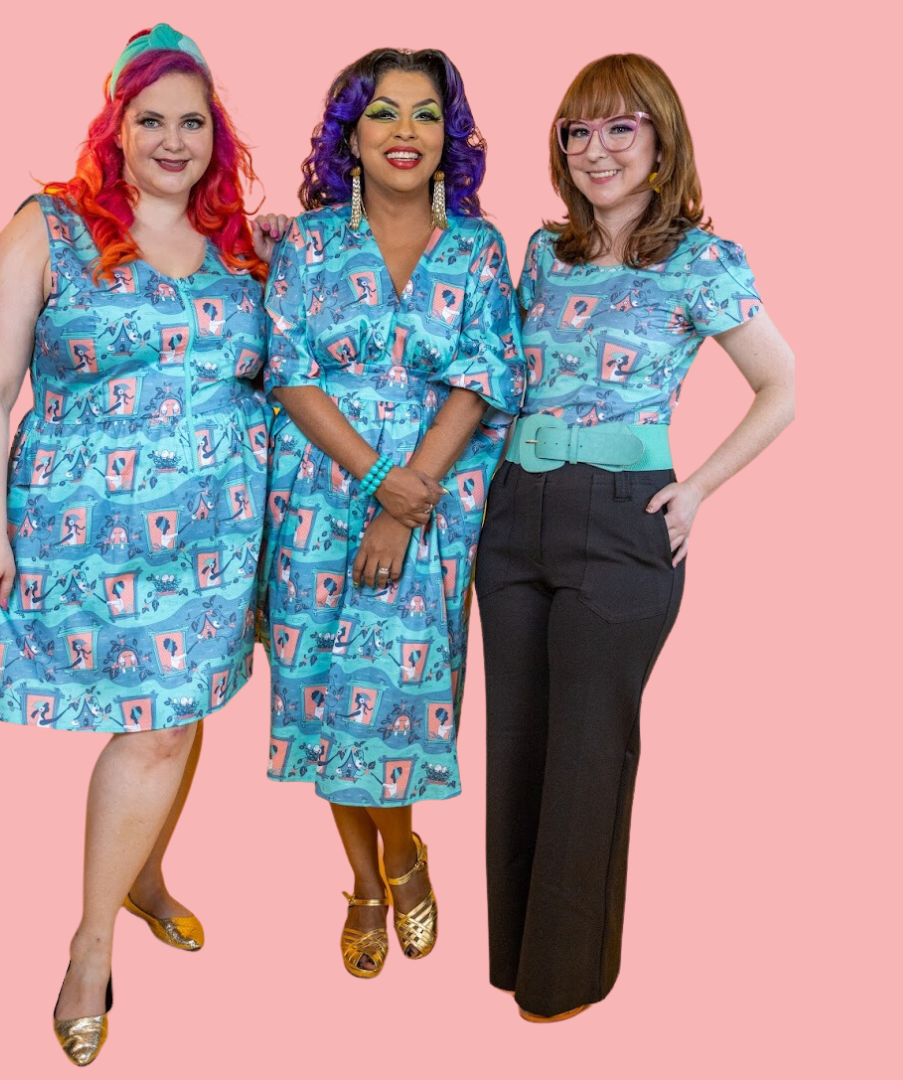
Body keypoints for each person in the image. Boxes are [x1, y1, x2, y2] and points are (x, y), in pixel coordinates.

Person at [0, 25, 282, 1065]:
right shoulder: (49, 229)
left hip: (222, 531)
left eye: (194, 120)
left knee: (178, 721)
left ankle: (135, 878)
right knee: (152, 729)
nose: (174, 138)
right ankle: (90, 949)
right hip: (89, 531)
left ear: (216, 137)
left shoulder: (243, 249)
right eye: (153, 118)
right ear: (116, 125)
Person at [475, 54, 795, 1022]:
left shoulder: (702, 260)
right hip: (514, 515)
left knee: (587, 746)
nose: (596, 149)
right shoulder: (542, 252)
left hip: (623, 523)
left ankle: (564, 983)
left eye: (621, 129)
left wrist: (696, 489)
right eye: (578, 131)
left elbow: (780, 386)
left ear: (662, 142)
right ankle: (514, 959)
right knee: (518, 741)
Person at [262, 48, 524, 980]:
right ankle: (372, 883)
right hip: (316, 506)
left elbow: (487, 376)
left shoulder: (478, 249)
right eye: (382, 114)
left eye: (424, 114)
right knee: (331, 703)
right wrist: (376, 480)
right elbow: (288, 368)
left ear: (449, 135)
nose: (404, 132)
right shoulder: (309, 244)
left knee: (397, 707)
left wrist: (406, 498)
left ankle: (402, 856)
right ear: (351, 137)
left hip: (431, 505)